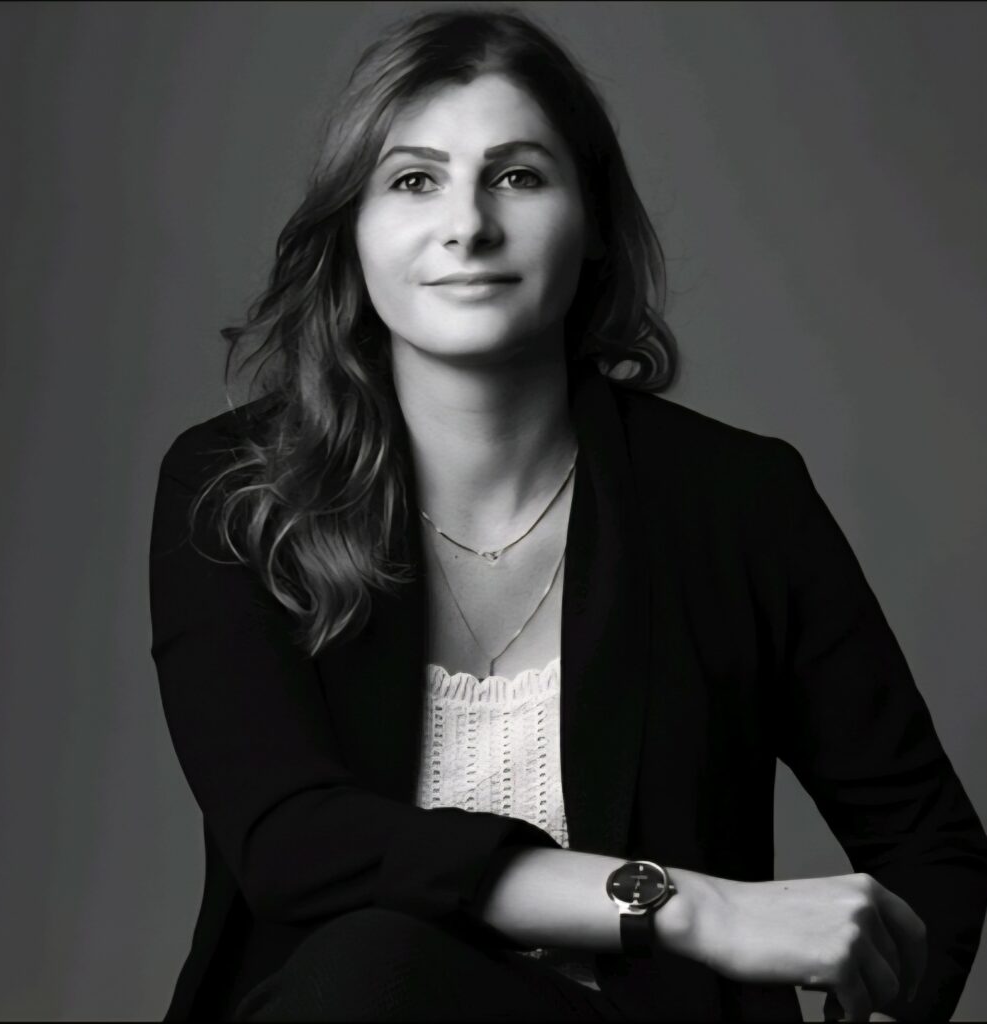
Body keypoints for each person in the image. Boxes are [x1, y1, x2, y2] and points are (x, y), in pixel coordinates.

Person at [148, 7, 987, 1022]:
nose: (467, 225)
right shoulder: (239, 489)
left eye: (517, 176)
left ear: (591, 223)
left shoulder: (737, 501)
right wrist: (680, 906)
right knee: (375, 961)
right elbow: (292, 841)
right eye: (413, 181)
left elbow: (927, 846)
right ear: (352, 232)